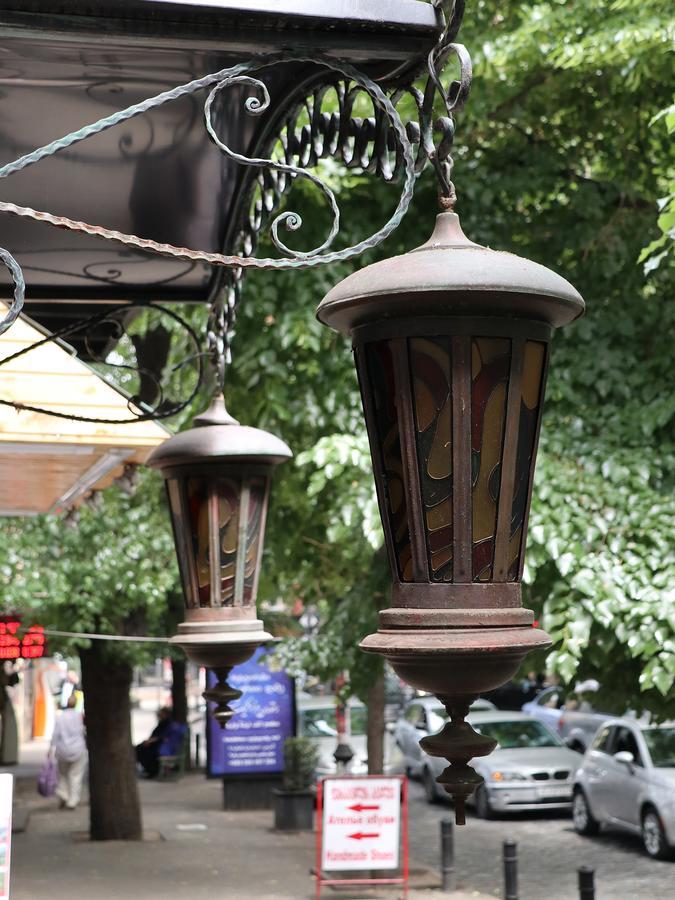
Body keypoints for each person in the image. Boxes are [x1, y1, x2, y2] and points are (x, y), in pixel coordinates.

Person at [50, 693, 87, 809]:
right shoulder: (80, 716)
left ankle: (63, 795)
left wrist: (50, 748)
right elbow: (84, 731)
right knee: (75, 775)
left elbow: (55, 735)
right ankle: (72, 800)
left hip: (62, 750)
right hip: (78, 749)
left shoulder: (60, 717)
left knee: (63, 775)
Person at [135, 706, 173, 778]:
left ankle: (151, 771)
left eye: (161, 713)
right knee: (138, 748)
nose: (159, 715)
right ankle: (148, 769)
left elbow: (162, 736)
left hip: (159, 746)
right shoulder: (162, 722)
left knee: (143, 751)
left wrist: (151, 741)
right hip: (155, 744)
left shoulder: (168, 723)